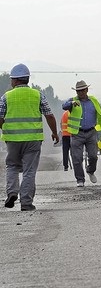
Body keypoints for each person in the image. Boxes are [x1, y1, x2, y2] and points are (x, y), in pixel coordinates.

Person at [1, 64, 59, 211]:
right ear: (27, 79)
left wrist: (5, 128)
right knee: (29, 170)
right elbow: (49, 115)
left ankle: (12, 192)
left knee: (12, 166)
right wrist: (54, 132)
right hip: (33, 140)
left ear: (14, 80)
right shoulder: (38, 94)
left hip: (12, 140)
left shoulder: (6, 97)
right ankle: (26, 203)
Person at [62, 80, 101, 187]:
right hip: (77, 134)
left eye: (82, 91)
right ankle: (80, 179)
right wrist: (71, 103)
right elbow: (63, 106)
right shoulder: (73, 101)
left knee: (93, 156)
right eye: (78, 91)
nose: (80, 93)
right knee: (77, 158)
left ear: (86, 90)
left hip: (91, 132)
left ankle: (90, 170)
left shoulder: (93, 101)